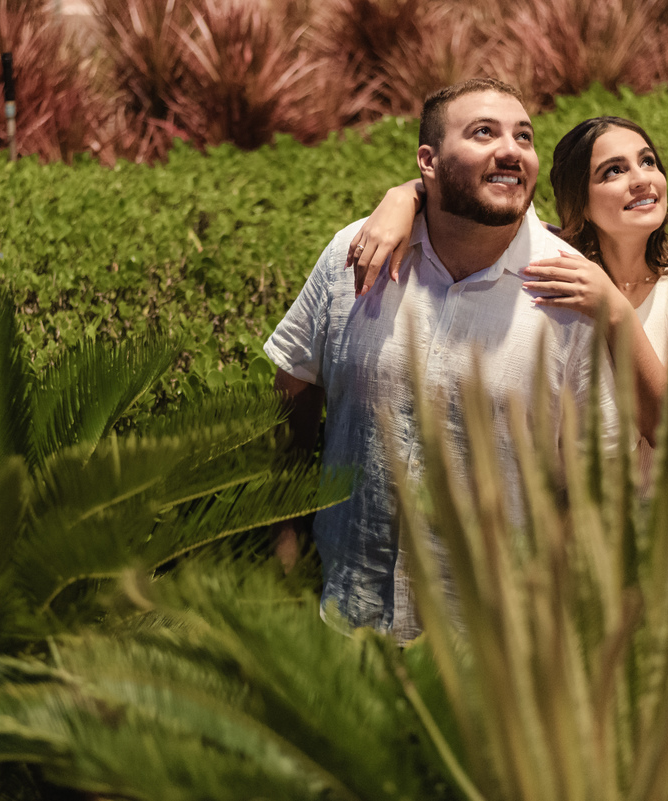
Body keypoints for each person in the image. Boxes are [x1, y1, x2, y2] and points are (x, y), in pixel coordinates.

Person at [264, 79, 617, 640]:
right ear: (427, 162)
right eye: (484, 132)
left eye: (524, 136)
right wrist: (285, 545)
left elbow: (594, 476)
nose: (512, 149)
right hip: (339, 614)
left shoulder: (571, 292)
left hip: (485, 645)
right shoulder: (353, 253)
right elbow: (294, 390)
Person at [350, 115, 668, 495]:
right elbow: (461, 199)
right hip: (561, 522)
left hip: (662, 530)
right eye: (613, 171)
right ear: (580, 203)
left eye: (647, 162)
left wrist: (615, 311)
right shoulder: (557, 259)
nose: (641, 179)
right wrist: (403, 196)